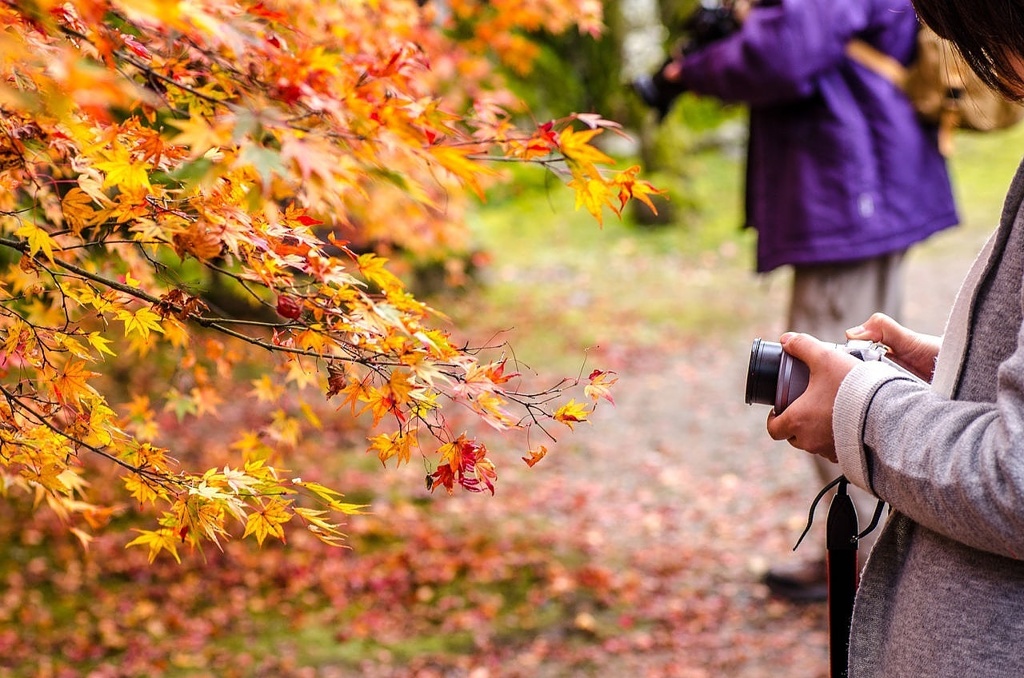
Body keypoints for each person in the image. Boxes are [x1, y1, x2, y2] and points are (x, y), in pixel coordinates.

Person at [660, 0, 959, 601]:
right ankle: (861, 552)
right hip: (863, 169)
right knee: (872, 364)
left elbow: (784, 51)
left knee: (813, 378)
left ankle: (884, 571)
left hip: (847, 176)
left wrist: (690, 70)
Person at [765, 1, 1024, 672]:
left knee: (828, 349)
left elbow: (1018, 481)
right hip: (854, 181)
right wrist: (958, 373)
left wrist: (863, 409)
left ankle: (854, 545)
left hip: (849, 184)